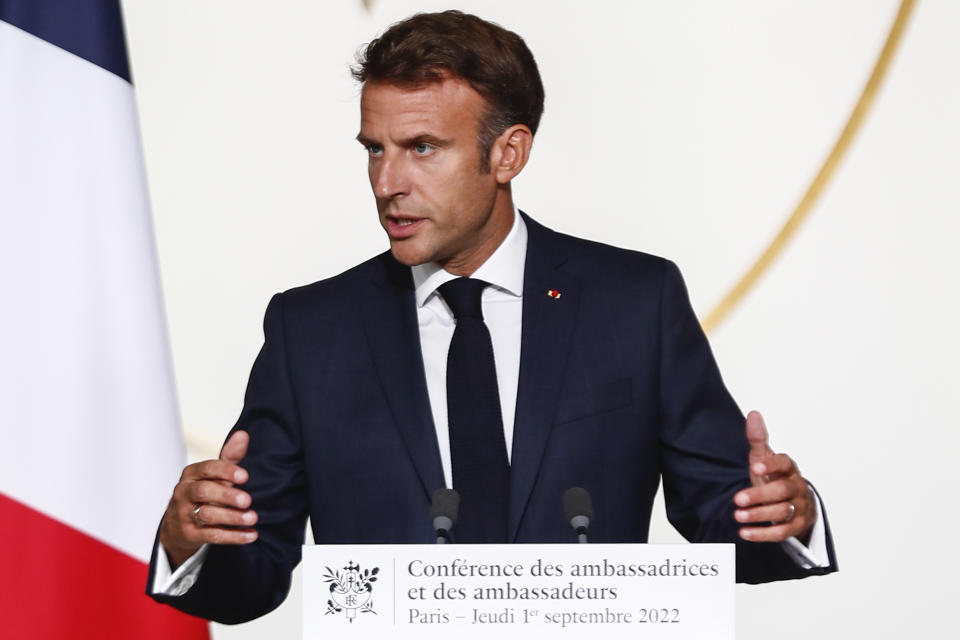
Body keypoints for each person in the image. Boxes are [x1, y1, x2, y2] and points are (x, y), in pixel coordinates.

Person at [148, 10, 837, 623]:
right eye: (374, 149)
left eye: (422, 148)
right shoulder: (311, 331)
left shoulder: (634, 303)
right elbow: (251, 575)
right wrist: (190, 542)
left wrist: (785, 517)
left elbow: (727, 519)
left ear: (508, 153)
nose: (388, 183)